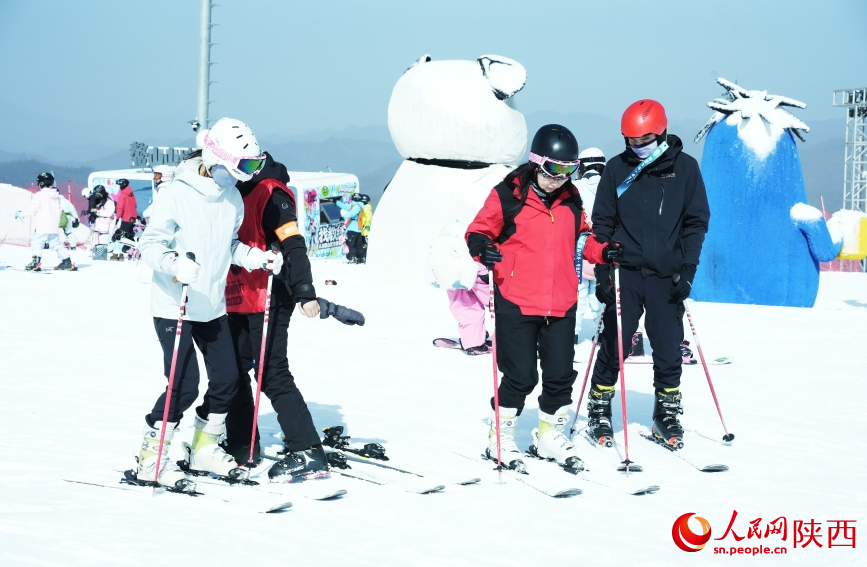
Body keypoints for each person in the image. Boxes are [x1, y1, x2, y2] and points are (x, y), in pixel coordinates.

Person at [134, 117, 281, 491]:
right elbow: (149, 245)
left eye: (248, 169)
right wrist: (173, 263)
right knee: (183, 384)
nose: (240, 178)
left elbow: (229, 246)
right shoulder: (177, 194)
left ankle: (203, 447)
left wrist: (256, 257)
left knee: (228, 380)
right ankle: (151, 459)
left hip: (212, 305)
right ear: (213, 158)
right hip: (175, 304)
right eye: (236, 169)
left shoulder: (231, 198)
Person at [465, 125, 614, 472]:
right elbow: (478, 230)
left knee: (561, 375)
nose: (559, 179)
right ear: (536, 162)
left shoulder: (573, 200)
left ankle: (548, 436)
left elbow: (584, 239)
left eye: (569, 170)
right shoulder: (508, 195)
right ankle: (499, 440)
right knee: (520, 376)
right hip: (516, 298)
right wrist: (480, 247)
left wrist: (605, 252)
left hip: (561, 300)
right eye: (553, 169)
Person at [586, 100, 710, 450]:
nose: (637, 148)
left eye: (644, 140)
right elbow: (603, 224)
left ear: (662, 132)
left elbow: (695, 222)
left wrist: (688, 269)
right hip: (625, 271)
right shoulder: (616, 168)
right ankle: (599, 406)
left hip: (666, 274)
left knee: (669, 346)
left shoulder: (685, 169)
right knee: (617, 340)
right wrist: (603, 273)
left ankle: (666, 412)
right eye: (630, 141)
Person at [219, 151, 329, 481]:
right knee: (234, 373)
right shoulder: (235, 189)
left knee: (271, 373)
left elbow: (293, 244)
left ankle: (307, 450)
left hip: (269, 293)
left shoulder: (271, 191)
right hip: (236, 294)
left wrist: (304, 290)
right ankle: (242, 445)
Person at [573, 147, 606, 345]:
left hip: (578, 252)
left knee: (577, 295)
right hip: (603, 251)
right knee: (599, 296)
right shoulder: (613, 188)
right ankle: (601, 332)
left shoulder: (575, 188)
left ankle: (572, 334)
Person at [15, 172, 75, 271]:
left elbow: (32, 210)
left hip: (42, 224)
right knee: (56, 244)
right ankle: (66, 261)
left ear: (41, 183)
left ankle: (35, 262)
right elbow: (60, 210)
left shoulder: (39, 195)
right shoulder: (56, 196)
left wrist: (20, 214)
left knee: (37, 243)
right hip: (53, 225)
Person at [110, 178, 138, 260]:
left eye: (119, 185)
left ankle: (121, 253)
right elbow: (135, 206)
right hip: (132, 219)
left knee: (121, 236)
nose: (119, 187)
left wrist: (118, 218)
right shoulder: (132, 195)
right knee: (129, 235)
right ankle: (129, 251)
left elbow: (120, 208)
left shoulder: (123, 195)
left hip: (125, 219)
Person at [336, 194, 364, 263]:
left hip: (353, 228)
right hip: (357, 229)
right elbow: (346, 207)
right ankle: (360, 257)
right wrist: (337, 202)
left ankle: (353, 257)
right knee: (358, 244)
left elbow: (352, 213)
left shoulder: (357, 206)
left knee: (352, 244)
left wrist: (344, 217)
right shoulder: (355, 205)